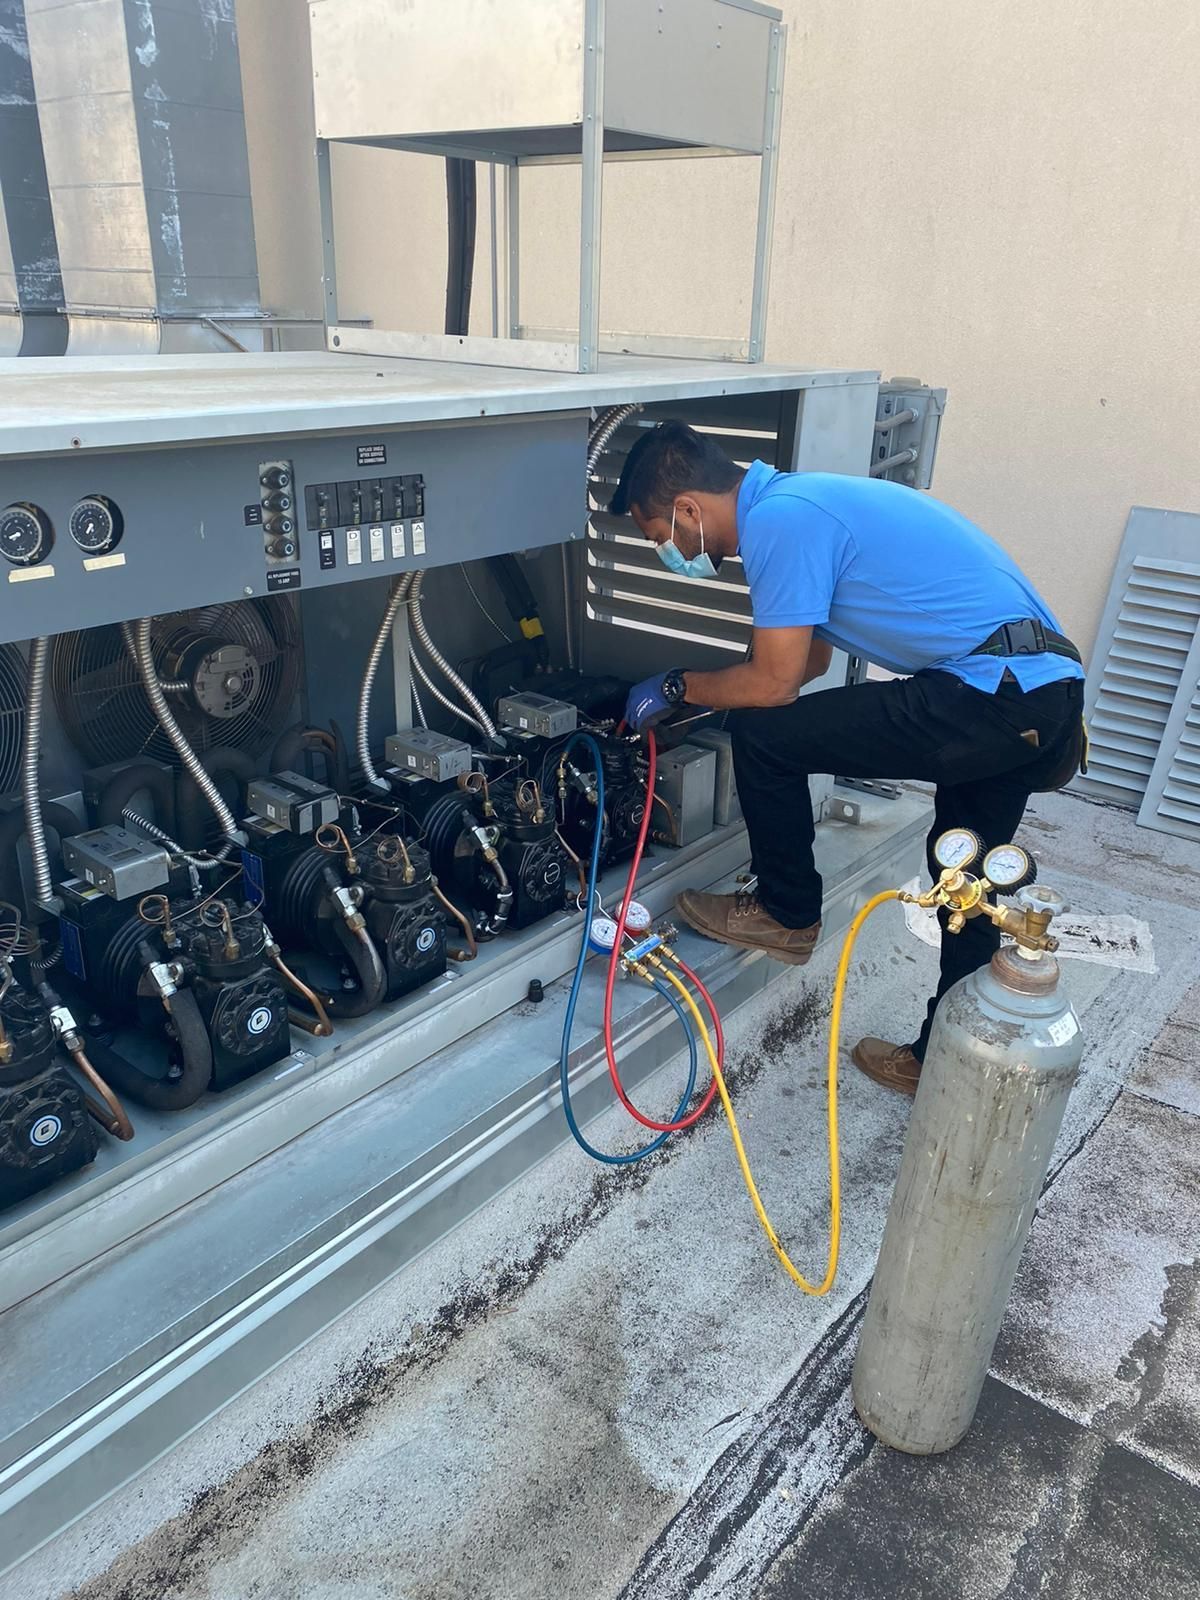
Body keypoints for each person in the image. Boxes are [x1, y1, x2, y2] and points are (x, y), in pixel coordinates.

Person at [613, 421, 1085, 1095]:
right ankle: (945, 1063)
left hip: (989, 692)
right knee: (968, 877)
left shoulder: (779, 522)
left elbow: (774, 686)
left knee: (762, 737)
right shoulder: (801, 505)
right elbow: (808, 660)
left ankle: (786, 914)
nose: (669, 551)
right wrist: (711, 698)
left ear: (689, 509)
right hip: (1039, 693)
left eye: (660, 536)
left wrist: (677, 686)